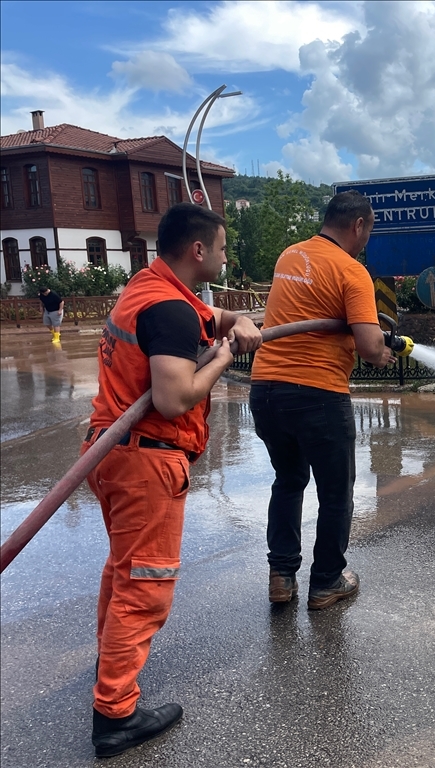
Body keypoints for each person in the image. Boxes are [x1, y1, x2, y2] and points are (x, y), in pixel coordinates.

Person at [83, 203, 262, 758]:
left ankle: (111, 662)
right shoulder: (170, 310)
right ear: (198, 250)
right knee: (146, 585)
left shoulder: (149, 286)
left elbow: (206, 316)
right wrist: (226, 356)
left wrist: (236, 321)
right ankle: (116, 714)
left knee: (124, 568)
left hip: (110, 451)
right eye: (223, 248)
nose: (226, 258)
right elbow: (174, 397)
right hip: (146, 462)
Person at [249, 191, 394, 611]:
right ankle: (327, 581)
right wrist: (382, 352)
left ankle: (281, 577)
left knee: (288, 480)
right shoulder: (351, 270)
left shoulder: (290, 255)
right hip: (318, 392)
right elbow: (369, 346)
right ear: (358, 225)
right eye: (369, 231)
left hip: (266, 389)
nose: (366, 240)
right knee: (335, 493)